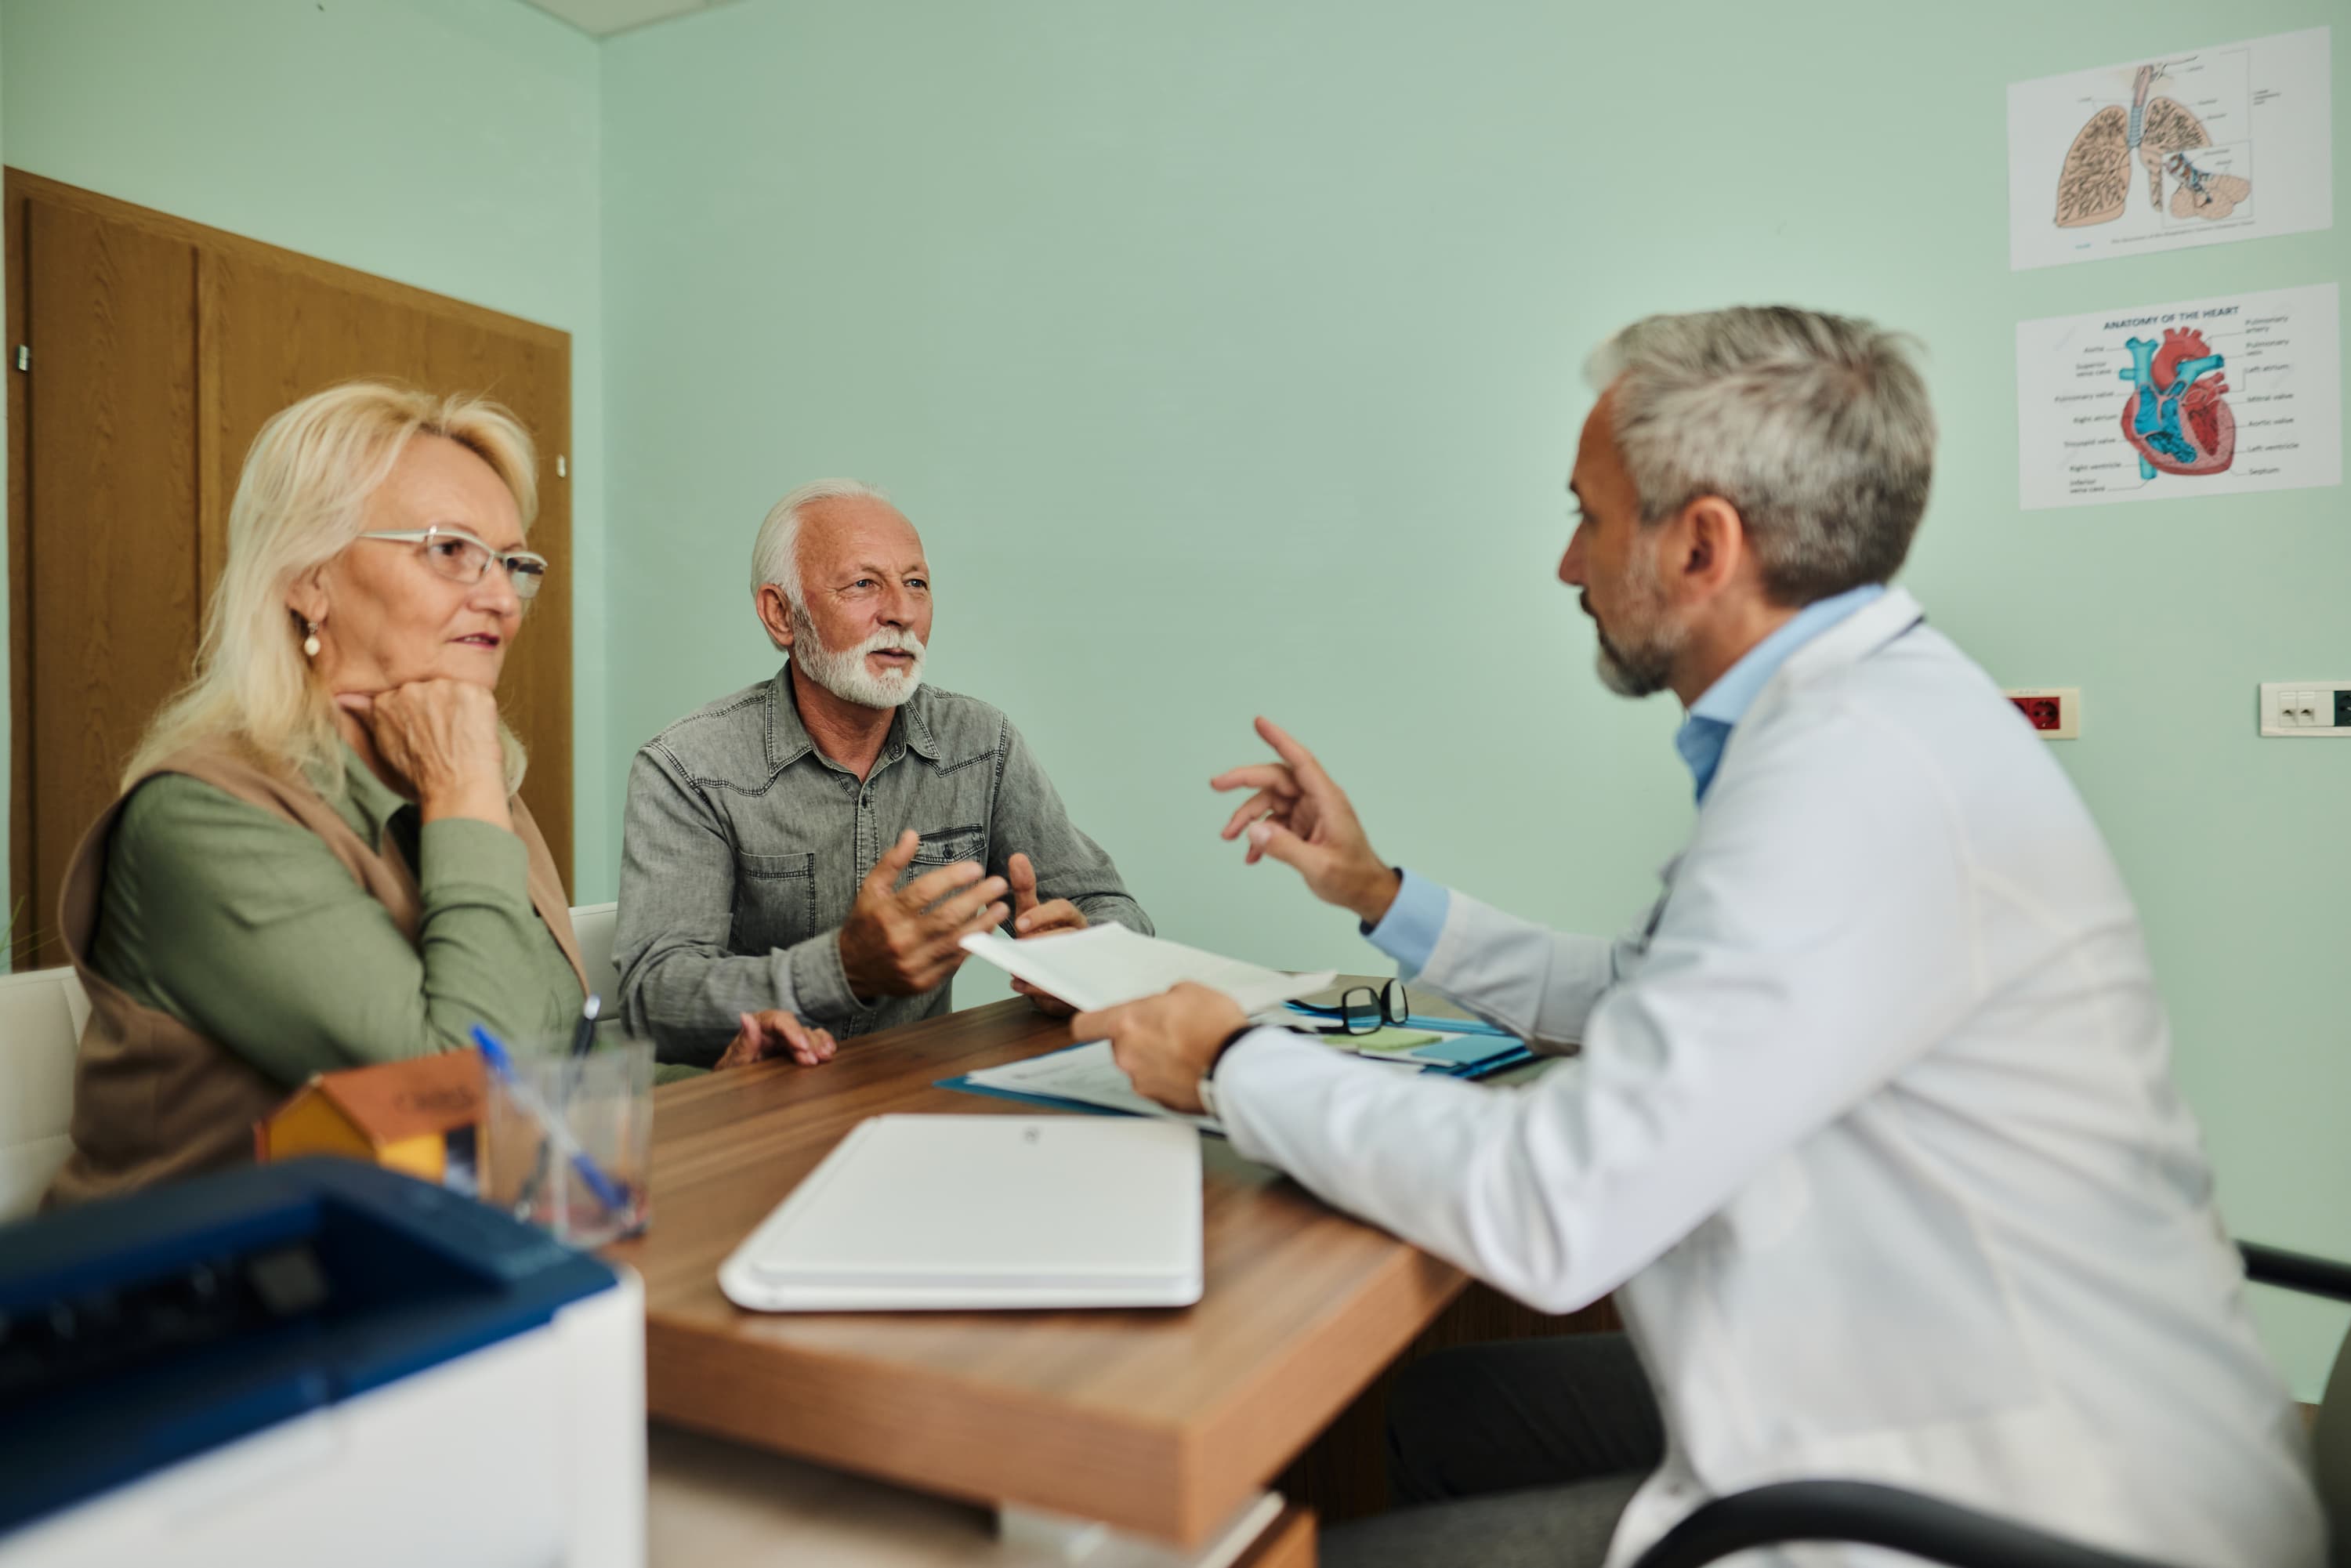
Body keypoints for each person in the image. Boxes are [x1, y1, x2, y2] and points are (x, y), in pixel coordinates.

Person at [1075, 308, 2323, 1568]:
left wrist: (1233, 1062)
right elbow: (1644, 993)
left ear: (1701, 544)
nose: (1570, 565)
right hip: (1950, 1363)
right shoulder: (1871, 718)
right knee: (1442, 1411)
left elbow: (1555, 1206)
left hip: (2028, 1504)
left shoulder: (1851, 779)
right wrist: (1377, 890)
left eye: (1588, 516)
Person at [49, 383, 699, 1206]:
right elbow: (473, 1094)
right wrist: (465, 789)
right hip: (209, 1304)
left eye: (513, 563)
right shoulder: (201, 816)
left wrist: (706, 1073)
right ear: (307, 579)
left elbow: (546, 1053)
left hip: (427, 1250)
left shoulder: (464, 775)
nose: (501, 597)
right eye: (450, 549)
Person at [616, 479, 1148, 1066]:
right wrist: (841, 968)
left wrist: (1081, 958)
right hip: (767, 1116)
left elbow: (1114, 909)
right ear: (781, 613)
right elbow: (655, 998)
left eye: (915, 583)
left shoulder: (980, 743)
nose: (900, 612)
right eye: (864, 584)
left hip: (926, 1095)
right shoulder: (689, 767)